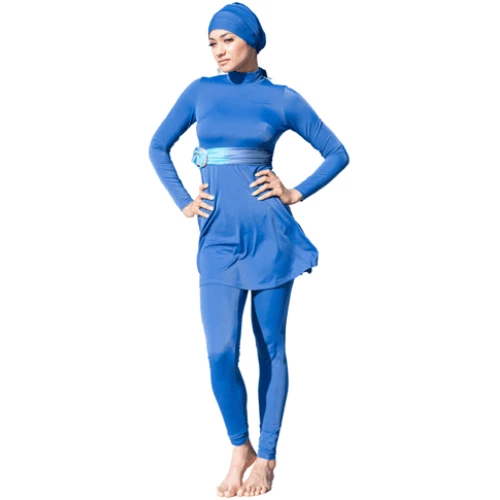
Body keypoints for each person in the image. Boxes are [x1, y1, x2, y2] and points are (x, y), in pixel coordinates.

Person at [149, 2, 350, 496]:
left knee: (270, 347)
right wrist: (184, 201)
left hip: (269, 237)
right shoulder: (199, 91)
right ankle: (240, 445)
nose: (218, 50)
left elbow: (337, 152)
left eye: (228, 40)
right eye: (211, 42)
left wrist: (295, 192)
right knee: (220, 351)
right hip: (217, 239)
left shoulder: (282, 98)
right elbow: (157, 146)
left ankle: (268, 457)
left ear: (252, 41)